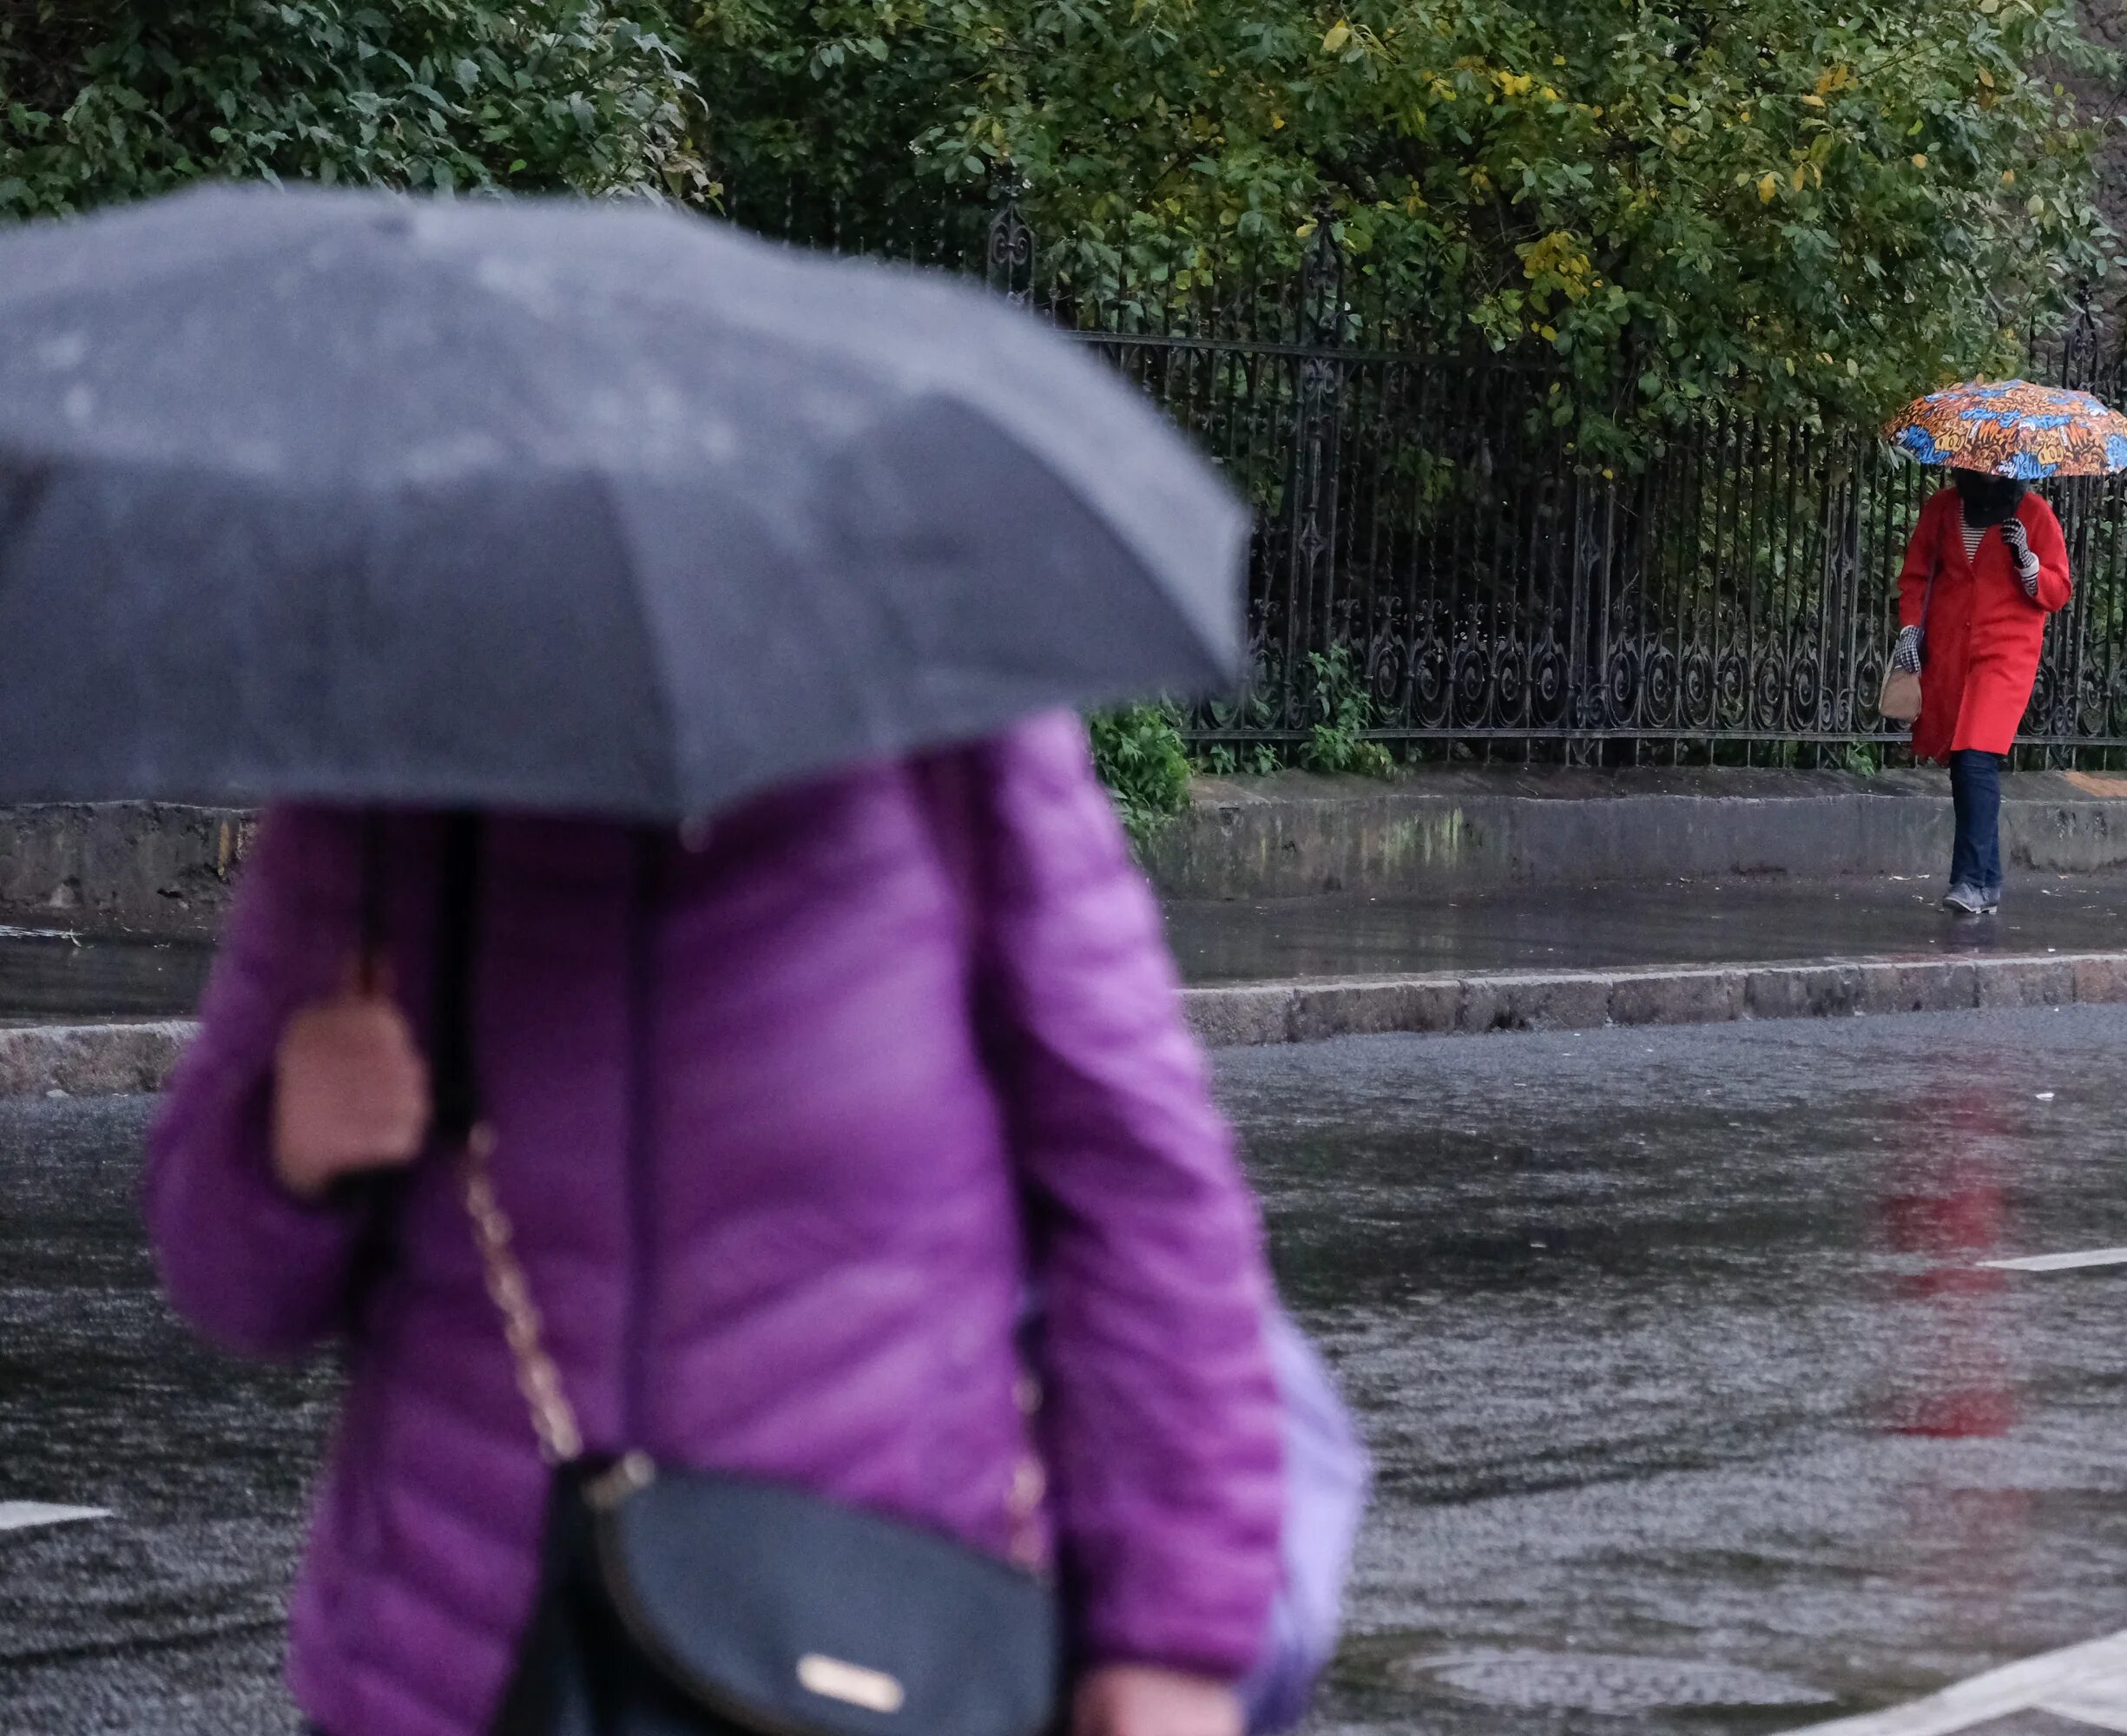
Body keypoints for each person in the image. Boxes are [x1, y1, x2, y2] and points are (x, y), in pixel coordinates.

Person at [143, 713, 1285, 1736]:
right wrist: (285, 1145)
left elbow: (1146, 1189)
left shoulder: (959, 747)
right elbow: (222, 1279)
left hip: (867, 1659)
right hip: (454, 1670)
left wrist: (1170, 1642)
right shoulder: (382, 786)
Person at [1890, 467, 2073, 916]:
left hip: (2005, 654)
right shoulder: (1943, 508)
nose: (1992, 469)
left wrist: (2027, 562)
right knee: (1962, 761)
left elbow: (2057, 591)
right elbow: (1916, 576)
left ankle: (1969, 881)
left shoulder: (2034, 512)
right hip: (1951, 652)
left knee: (1975, 755)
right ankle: (1988, 882)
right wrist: (1910, 629)